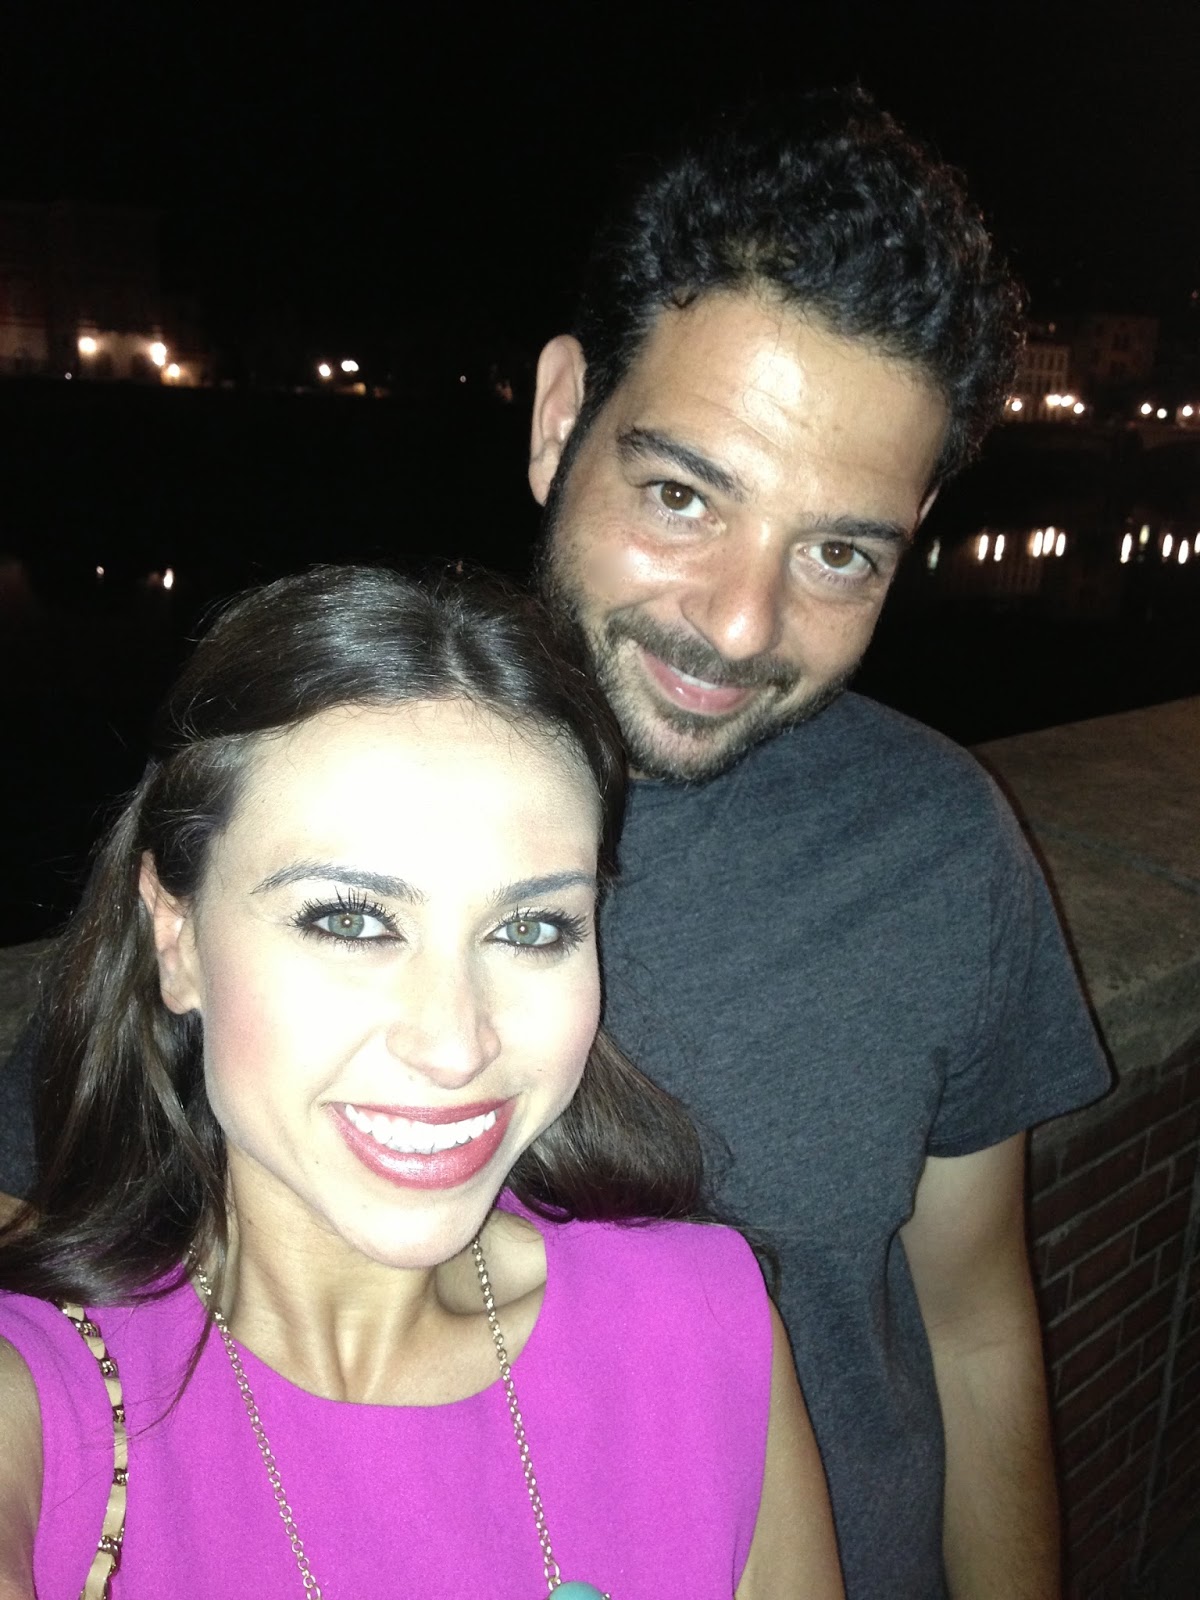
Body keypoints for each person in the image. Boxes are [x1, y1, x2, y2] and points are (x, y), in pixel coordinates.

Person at [524, 90, 1111, 1598]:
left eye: (839, 551)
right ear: (559, 417)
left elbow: (974, 1330)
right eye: (681, 495)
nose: (740, 625)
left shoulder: (940, 848)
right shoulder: (318, 795)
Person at [0, 566, 843, 1600]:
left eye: (530, 928)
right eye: (351, 919)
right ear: (176, 940)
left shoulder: (701, 1329)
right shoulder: (45, 1403)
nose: (455, 1045)